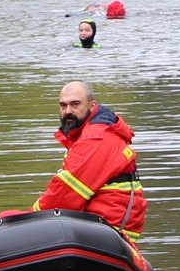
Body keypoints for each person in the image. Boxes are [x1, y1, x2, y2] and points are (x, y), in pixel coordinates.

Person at [30, 82, 147, 241]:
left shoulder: (95, 139)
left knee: (8, 218)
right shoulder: (88, 135)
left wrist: (29, 218)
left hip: (105, 230)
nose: (68, 111)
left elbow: (64, 196)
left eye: (75, 104)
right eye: (63, 106)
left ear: (92, 106)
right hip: (104, 227)